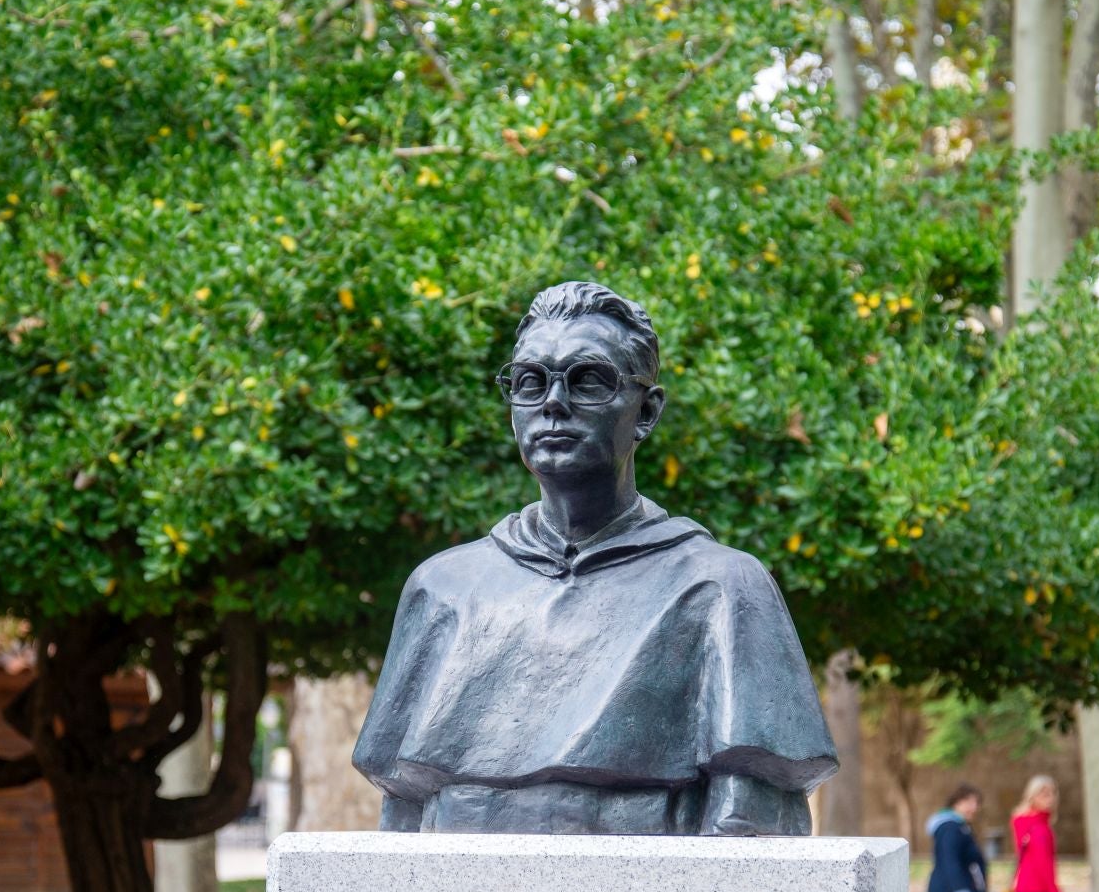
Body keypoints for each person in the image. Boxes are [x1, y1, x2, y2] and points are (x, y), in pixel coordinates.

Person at [355, 281, 837, 836]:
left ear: (646, 412)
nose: (553, 404)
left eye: (588, 381)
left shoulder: (722, 588)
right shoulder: (442, 587)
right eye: (531, 383)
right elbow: (403, 813)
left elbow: (750, 823)